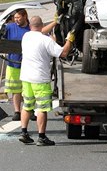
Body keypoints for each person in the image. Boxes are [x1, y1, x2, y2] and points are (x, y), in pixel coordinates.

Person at [18, 16, 74, 146]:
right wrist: (69, 39)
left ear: (30, 25)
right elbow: (63, 53)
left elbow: (39, 32)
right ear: (42, 25)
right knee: (42, 109)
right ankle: (41, 137)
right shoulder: (46, 40)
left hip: (26, 77)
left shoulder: (26, 36)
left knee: (27, 106)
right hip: (40, 79)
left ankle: (24, 133)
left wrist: (54, 24)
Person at [4, 9, 57, 121]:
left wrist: (55, 22)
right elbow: (0, 33)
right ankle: (17, 111)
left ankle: (30, 110)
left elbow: (42, 31)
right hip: (13, 64)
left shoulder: (30, 29)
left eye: (19, 17)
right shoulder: (10, 27)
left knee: (27, 91)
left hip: (28, 65)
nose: (16, 20)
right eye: (15, 18)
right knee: (16, 90)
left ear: (25, 17)